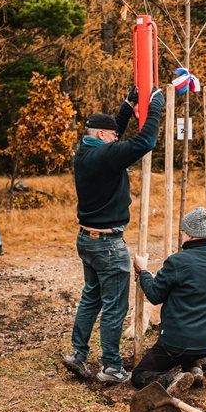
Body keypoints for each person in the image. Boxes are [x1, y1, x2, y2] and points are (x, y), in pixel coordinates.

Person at [62, 86, 164, 384]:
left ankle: (77, 354)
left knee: (91, 297)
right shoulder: (105, 156)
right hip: (107, 245)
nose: (116, 137)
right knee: (115, 305)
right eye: (112, 135)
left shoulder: (86, 150)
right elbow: (145, 141)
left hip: (87, 239)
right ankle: (110, 366)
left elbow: (113, 134)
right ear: (103, 137)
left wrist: (126, 106)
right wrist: (155, 105)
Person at [130, 207, 206, 393]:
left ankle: (173, 378)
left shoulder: (179, 261)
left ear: (189, 235)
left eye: (183, 232)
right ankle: (194, 369)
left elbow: (155, 295)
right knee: (190, 347)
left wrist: (143, 271)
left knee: (140, 375)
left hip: (177, 343)